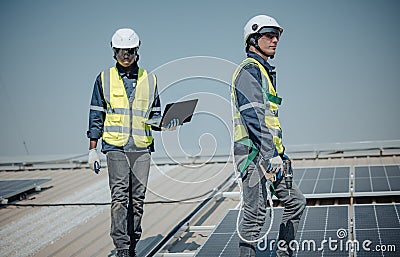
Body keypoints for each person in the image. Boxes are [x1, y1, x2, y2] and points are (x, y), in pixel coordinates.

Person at [87, 28, 178, 257]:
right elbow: (96, 114)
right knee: (119, 198)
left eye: (129, 51)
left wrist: (168, 123)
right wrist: (92, 149)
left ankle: (133, 242)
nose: (125, 56)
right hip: (115, 147)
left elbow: (154, 115)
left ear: (137, 51)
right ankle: (122, 248)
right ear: (114, 52)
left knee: (137, 200)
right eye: (120, 51)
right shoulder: (104, 78)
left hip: (141, 147)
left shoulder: (150, 79)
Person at [231, 15, 306, 257]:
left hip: (272, 155)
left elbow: (269, 121)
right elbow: (253, 119)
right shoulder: (249, 71)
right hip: (254, 155)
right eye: (268, 35)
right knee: (254, 216)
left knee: (295, 202)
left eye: (277, 36)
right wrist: (270, 154)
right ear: (253, 39)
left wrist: (279, 154)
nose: (275, 40)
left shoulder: (264, 71)